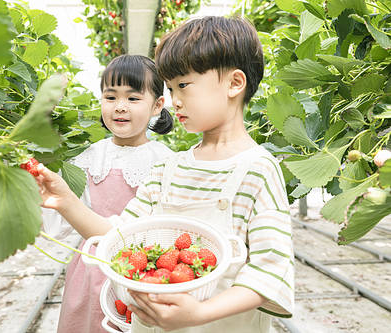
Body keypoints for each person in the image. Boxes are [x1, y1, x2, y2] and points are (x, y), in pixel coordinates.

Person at [37, 16, 294, 333]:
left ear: (234, 83)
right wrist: (65, 201)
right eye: (171, 88)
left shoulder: (258, 170)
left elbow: (271, 270)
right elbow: (120, 238)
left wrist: (200, 313)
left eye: (183, 85)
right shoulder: (167, 169)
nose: (175, 100)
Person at [43, 54, 174, 333]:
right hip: (91, 267)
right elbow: (64, 217)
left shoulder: (164, 161)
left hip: (139, 271)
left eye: (133, 98)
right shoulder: (88, 157)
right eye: (111, 97)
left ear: (157, 106)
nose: (120, 107)